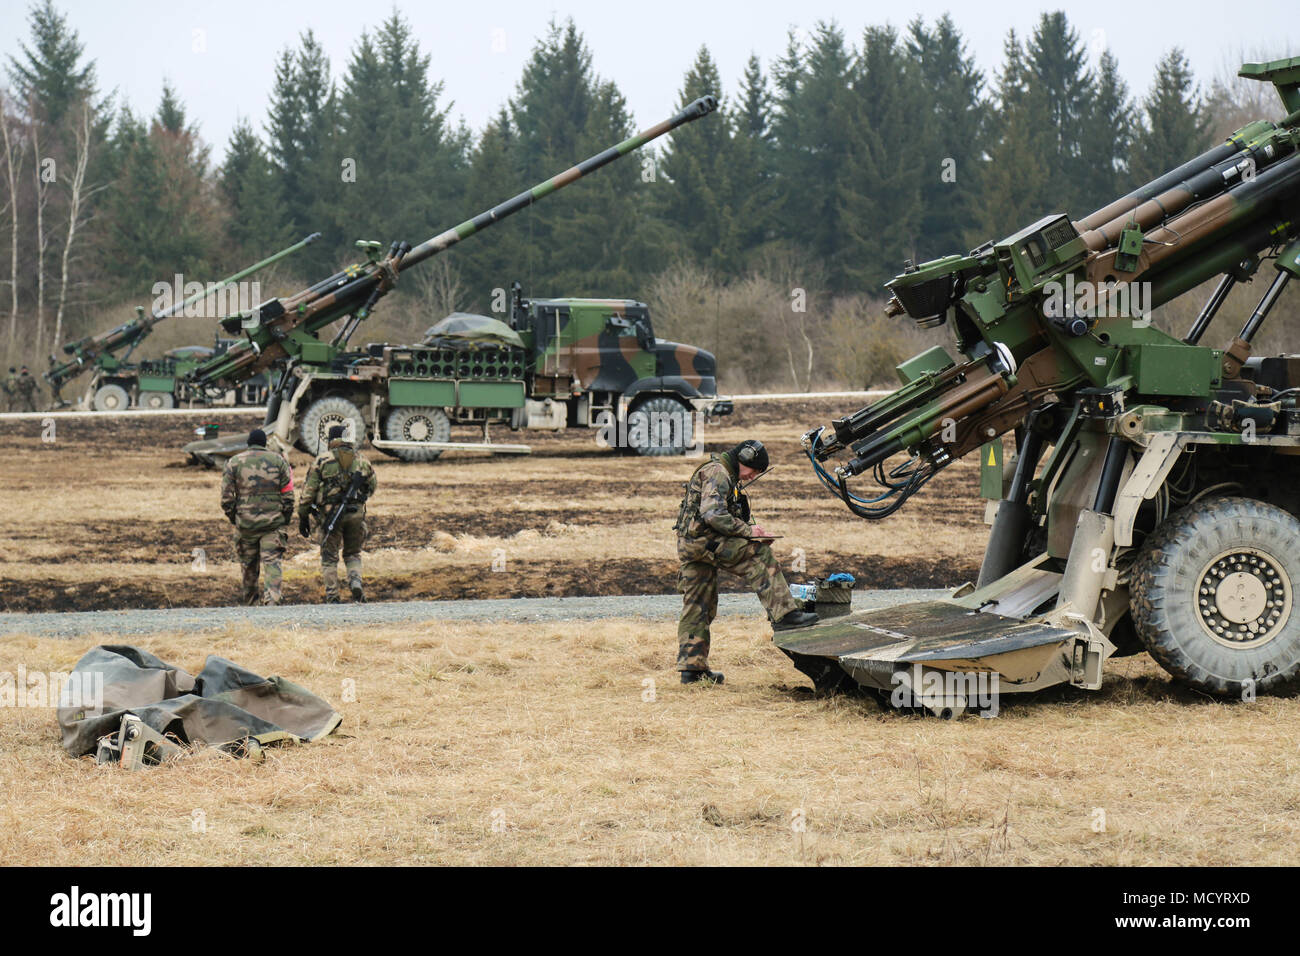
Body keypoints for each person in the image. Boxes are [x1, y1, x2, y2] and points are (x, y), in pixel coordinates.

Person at [674, 439, 817, 685]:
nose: (752, 477)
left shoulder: (718, 471)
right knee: (759, 555)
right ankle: (785, 614)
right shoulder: (718, 473)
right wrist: (750, 532)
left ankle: (692, 670)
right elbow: (713, 515)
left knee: (698, 603)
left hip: (691, 544)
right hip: (705, 542)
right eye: (754, 471)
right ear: (744, 460)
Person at [299, 425, 376, 603]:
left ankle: (333, 596)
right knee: (353, 553)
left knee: (329, 557)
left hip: (331, 516)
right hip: (356, 515)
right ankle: (356, 583)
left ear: (330, 440)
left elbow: (307, 494)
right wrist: (359, 497)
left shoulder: (322, 461)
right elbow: (372, 486)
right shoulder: (362, 459)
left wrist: (303, 517)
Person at [220, 428, 295, 605]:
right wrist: (284, 519)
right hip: (272, 524)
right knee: (272, 563)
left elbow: (226, 499)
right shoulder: (279, 461)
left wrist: (235, 518)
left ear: (249, 443)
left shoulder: (234, 462)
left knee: (248, 567)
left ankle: (250, 603)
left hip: (245, 525)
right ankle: (272, 601)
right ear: (264, 444)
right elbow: (289, 496)